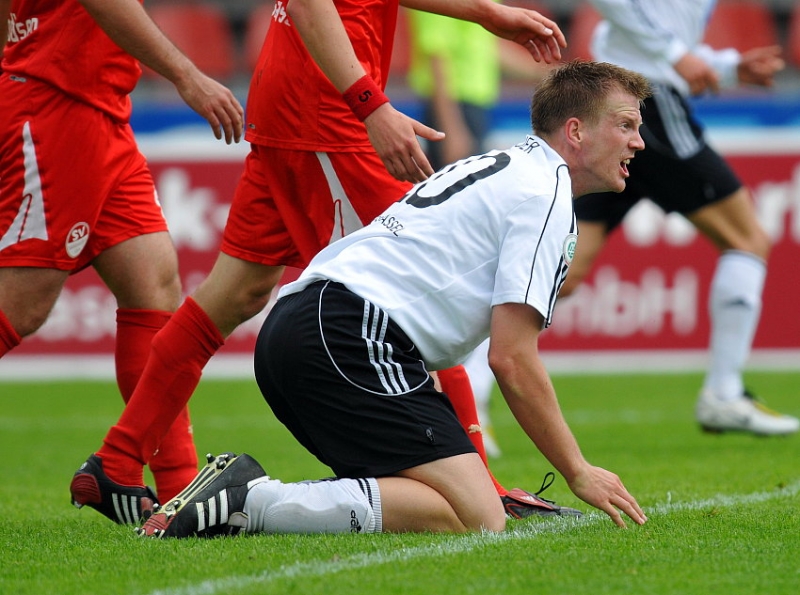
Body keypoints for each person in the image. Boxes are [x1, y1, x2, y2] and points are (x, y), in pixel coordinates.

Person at [69, 0, 571, 525]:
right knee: (410, 290)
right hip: (327, 111)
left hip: (299, 100)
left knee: (232, 295)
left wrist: (485, 12)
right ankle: (487, 489)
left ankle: (122, 460)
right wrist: (371, 105)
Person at [136, 60, 652, 539]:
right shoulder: (544, 193)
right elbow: (511, 358)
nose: (639, 142)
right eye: (626, 125)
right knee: (480, 517)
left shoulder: (510, 167)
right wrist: (578, 471)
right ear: (576, 131)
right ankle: (248, 499)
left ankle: (244, 500)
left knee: (452, 507)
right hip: (348, 336)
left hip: (309, 329)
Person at [0, 0, 244, 519]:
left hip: (100, 110)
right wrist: (187, 75)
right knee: (21, 305)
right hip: (55, 103)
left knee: (153, 284)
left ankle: (173, 489)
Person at [559, 0, 798, 436]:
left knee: (563, 274)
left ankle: (465, 387)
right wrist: (676, 56)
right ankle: (724, 394)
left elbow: (661, 32)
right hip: (648, 101)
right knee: (747, 238)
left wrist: (726, 68)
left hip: (619, 97)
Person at [406, 6, 554, 455]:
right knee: (461, 261)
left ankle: (467, 404)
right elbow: (436, 59)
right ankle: (461, 405)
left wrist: (556, 78)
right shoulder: (444, 8)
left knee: (472, 262)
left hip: (473, 111)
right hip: (453, 112)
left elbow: (487, 53)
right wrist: (450, 125)